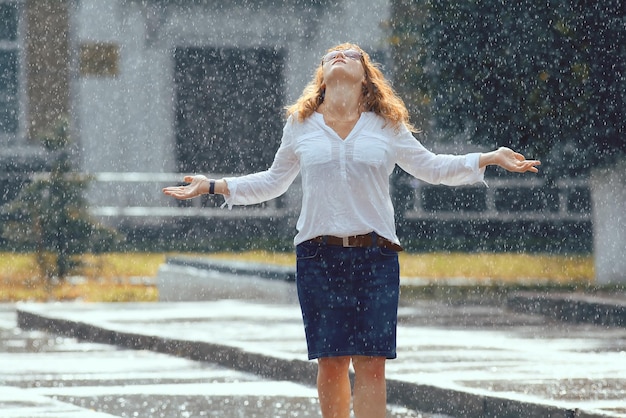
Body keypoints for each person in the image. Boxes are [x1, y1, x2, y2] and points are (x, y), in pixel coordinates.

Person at [162, 42, 541, 418]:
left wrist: (488, 158)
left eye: (352, 53)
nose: (341, 55)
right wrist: (214, 185)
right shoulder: (300, 124)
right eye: (332, 54)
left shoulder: (386, 125)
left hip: (376, 257)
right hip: (318, 256)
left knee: (372, 364)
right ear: (322, 74)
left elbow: (432, 166)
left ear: (366, 74)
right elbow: (274, 181)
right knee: (331, 362)